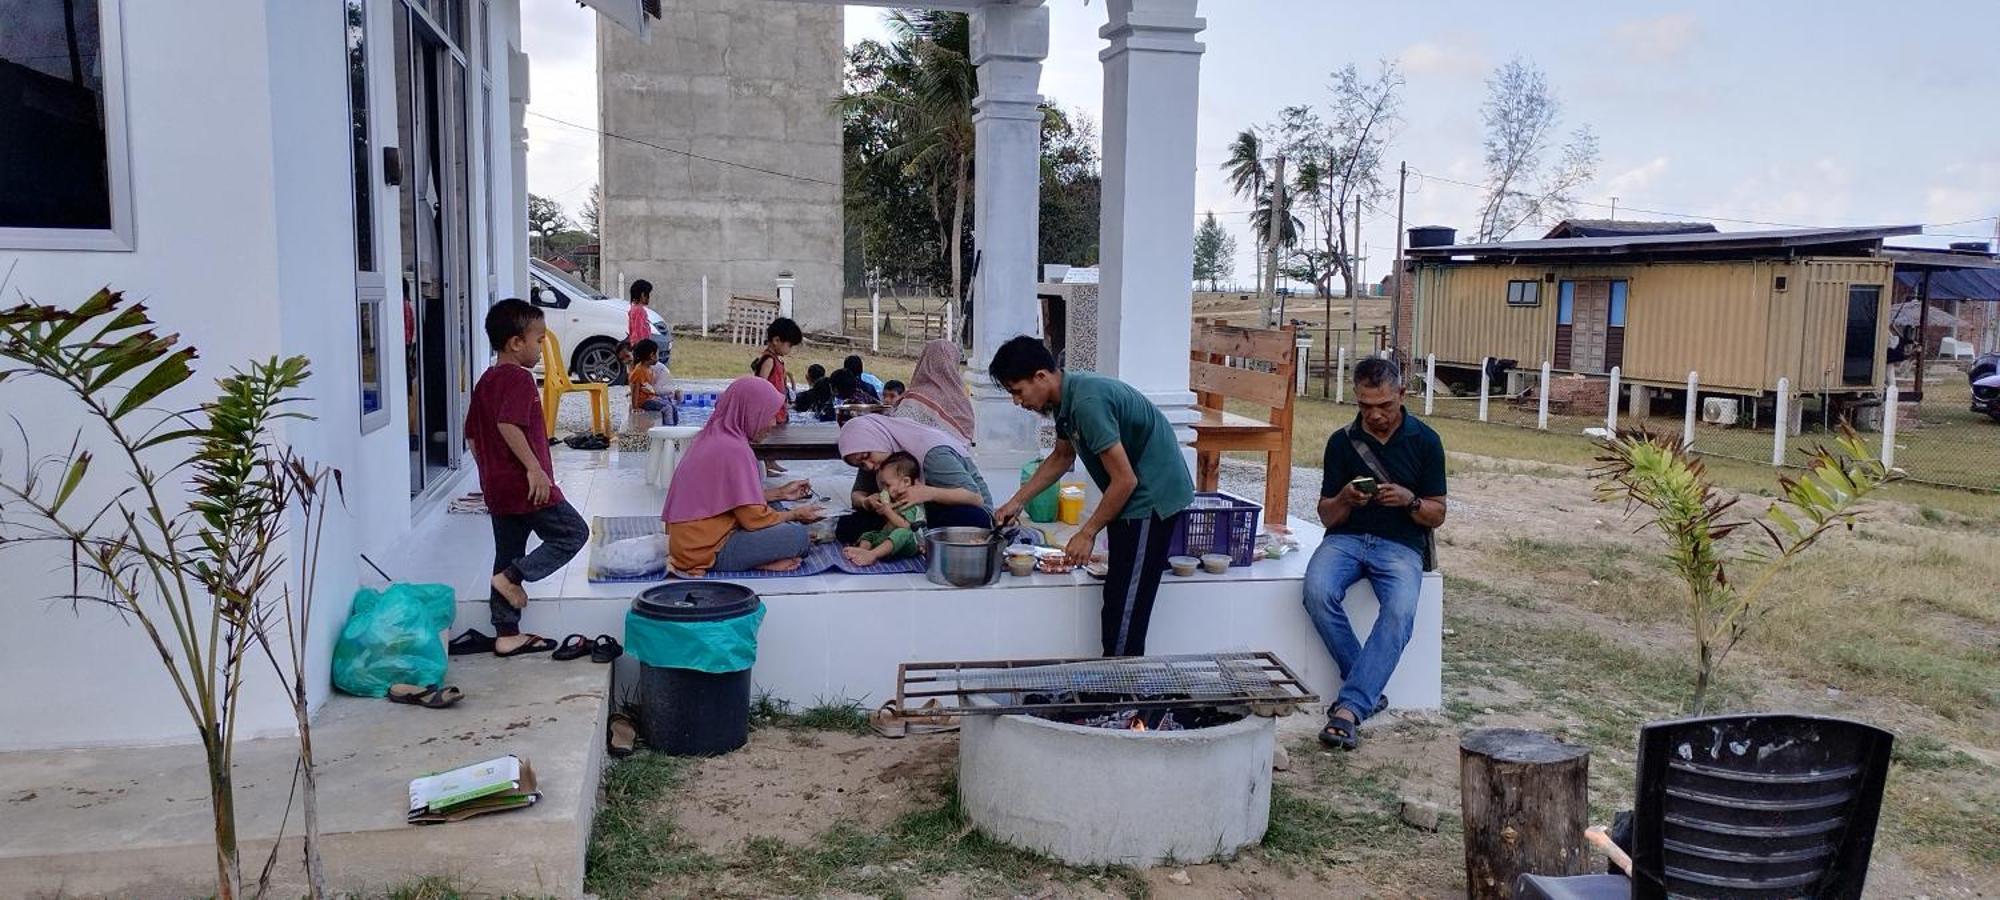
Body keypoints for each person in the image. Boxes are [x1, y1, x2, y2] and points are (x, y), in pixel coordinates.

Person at [990, 336, 1192, 657]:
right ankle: (1117, 695)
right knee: (1116, 600)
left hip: (1149, 500)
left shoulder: (1087, 404)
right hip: (1132, 500)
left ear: (1041, 377)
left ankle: (1125, 701)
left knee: (1126, 608)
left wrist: (1087, 532)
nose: (1018, 401)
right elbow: (1061, 456)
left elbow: (1125, 480)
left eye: (1017, 391)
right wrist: (1016, 501)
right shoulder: (1065, 401)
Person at [1304, 356, 1447, 751]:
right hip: (1346, 539)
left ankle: (1349, 708)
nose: (1376, 415)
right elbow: (1327, 514)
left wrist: (1409, 500)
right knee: (1316, 591)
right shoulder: (1341, 442)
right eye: (1366, 406)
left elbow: (1438, 514)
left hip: (1401, 545)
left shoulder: (1426, 441)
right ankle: (1365, 688)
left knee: (1400, 611)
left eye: (1384, 405)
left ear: (1402, 394)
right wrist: (1346, 498)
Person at [464, 299, 587, 657]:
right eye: (538, 340)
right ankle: (514, 578)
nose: (540, 347)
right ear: (516, 343)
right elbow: (508, 424)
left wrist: (490, 472)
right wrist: (534, 469)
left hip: (498, 488)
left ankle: (506, 632)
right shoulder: (517, 378)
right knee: (572, 533)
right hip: (526, 485)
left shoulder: (487, 380)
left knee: (507, 550)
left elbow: (472, 434)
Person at [662, 377, 824, 576]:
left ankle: (761, 555)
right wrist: (795, 515)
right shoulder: (734, 450)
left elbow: (728, 497)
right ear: (751, 412)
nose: (774, 423)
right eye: (769, 415)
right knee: (798, 537)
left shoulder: (714, 435)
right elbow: (753, 519)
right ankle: (757, 561)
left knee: (776, 508)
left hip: (688, 542)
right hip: (706, 549)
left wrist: (780, 493)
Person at [835, 413, 994, 545]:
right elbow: (857, 494)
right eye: (861, 464)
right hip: (907, 515)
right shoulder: (875, 459)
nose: (868, 466)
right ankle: (911, 538)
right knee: (847, 525)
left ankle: (908, 539)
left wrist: (928, 493)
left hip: (954, 509)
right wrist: (866, 502)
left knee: (971, 519)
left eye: (866, 457)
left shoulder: (932, 453)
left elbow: (975, 498)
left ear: (876, 439)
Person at [842, 452, 928, 567]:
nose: (885, 490)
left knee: (901, 533)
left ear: (906, 482)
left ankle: (873, 554)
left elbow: (906, 526)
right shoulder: (894, 499)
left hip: (911, 541)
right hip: (889, 535)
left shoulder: (910, 501)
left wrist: (888, 511)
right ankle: (863, 550)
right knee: (870, 534)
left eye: (887, 485)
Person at [890, 339, 975, 442]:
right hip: (960, 456)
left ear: (925, 361)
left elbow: (896, 434)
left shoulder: (916, 399)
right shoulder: (963, 402)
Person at [750, 317, 803, 475]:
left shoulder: (776, 360)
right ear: (776, 340)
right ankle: (764, 467)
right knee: (766, 438)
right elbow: (761, 384)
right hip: (769, 408)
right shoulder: (768, 360)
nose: (790, 350)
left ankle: (771, 462)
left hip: (777, 406)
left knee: (774, 437)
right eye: (789, 345)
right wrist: (764, 409)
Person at [628, 339, 677, 424]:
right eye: (657, 354)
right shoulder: (640, 370)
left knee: (672, 406)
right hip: (644, 402)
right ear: (652, 355)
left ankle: (675, 428)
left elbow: (647, 386)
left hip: (650, 398)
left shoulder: (649, 368)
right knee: (667, 408)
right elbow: (635, 388)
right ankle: (669, 431)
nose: (658, 356)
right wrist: (635, 407)